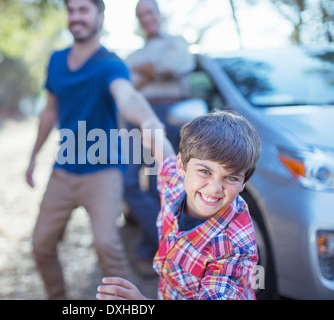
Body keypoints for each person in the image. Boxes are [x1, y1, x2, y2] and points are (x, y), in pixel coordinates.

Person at [25, 0, 174, 300]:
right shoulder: (56, 61)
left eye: (84, 10)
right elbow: (50, 112)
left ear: (99, 15)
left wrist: (147, 121)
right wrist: (33, 157)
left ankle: (126, 303)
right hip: (64, 170)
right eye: (72, 10)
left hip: (104, 171)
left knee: (107, 244)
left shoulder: (111, 64)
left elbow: (127, 96)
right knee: (41, 244)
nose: (76, 16)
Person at [96, 110, 261, 300]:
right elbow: (163, 153)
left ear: (243, 183)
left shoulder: (234, 247)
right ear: (182, 167)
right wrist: (150, 127)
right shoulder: (176, 184)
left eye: (230, 177)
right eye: (205, 171)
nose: (215, 188)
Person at [123, 0, 196, 274]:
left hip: (170, 114)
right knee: (127, 182)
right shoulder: (135, 54)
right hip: (138, 115)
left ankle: (151, 250)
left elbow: (180, 65)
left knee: (160, 185)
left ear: (158, 14)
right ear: (138, 20)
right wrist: (154, 68)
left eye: (149, 12)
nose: (146, 18)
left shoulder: (177, 41)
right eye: (141, 15)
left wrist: (147, 70)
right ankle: (169, 246)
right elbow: (129, 84)